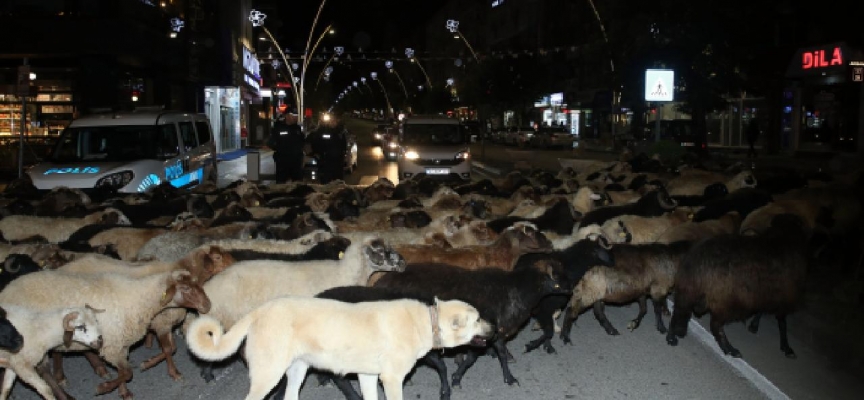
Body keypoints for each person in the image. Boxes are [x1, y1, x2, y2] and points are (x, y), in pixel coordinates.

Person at [307, 114, 348, 184]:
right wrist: (314, 154)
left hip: (338, 164)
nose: (333, 122)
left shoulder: (340, 132)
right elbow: (311, 141)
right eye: (331, 120)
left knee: (338, 186)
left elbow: (344, 146)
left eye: (334, 121)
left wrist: (344, 156)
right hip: (325, 163)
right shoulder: (322, 131)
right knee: (325, 185)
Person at [268, 109, 305, 183]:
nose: (296, 118)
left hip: (295, 162)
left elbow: (302, 142)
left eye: (296, 116)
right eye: (293, 116)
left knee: (297, 184)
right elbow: (271, 142)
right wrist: (280, 150)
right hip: (283, 161)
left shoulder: (297, 128)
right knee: (281, 184)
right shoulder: (278, 127)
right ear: (287, 116)